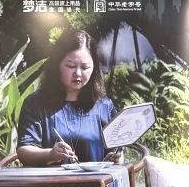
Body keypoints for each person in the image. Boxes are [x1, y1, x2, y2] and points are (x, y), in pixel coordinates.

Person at [17, 30, 118, 166]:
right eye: (71, 66)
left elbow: (115, 149)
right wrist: (50, 154)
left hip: (96, 179)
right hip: (51, 180)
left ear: (94, 68)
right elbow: (24, 150)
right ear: (57, 64)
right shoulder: (35, 103)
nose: (78, 73)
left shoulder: (104, 106)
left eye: (85, 67)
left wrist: (115, 158)